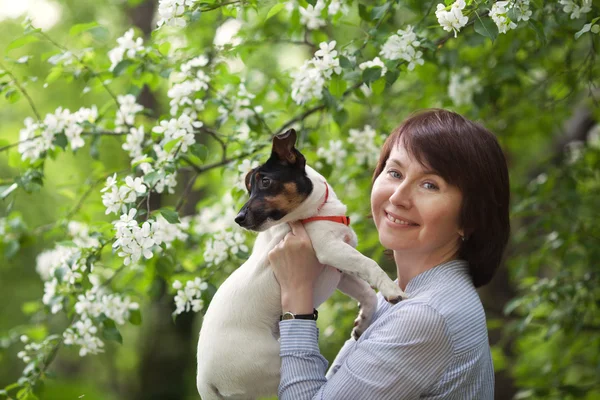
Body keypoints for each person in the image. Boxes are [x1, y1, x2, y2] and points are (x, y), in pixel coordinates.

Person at [267, 108, 510, 399]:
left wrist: (296, 295)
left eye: (430, 184)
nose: (397, 197)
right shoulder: (400, 295)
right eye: (394, 172)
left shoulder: (425, 316)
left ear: (469, 218)